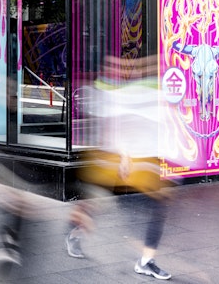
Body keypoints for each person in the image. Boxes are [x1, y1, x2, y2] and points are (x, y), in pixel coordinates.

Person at [66, 55, 175, 280]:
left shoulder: (153, 92)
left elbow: (157, 127)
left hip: (141, 162)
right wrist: (124, 155)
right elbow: (115, 127)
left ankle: (146, 261)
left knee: (160, 205)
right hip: (110, 161)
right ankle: (75, 231)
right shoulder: (114, 92)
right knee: (98, 202)